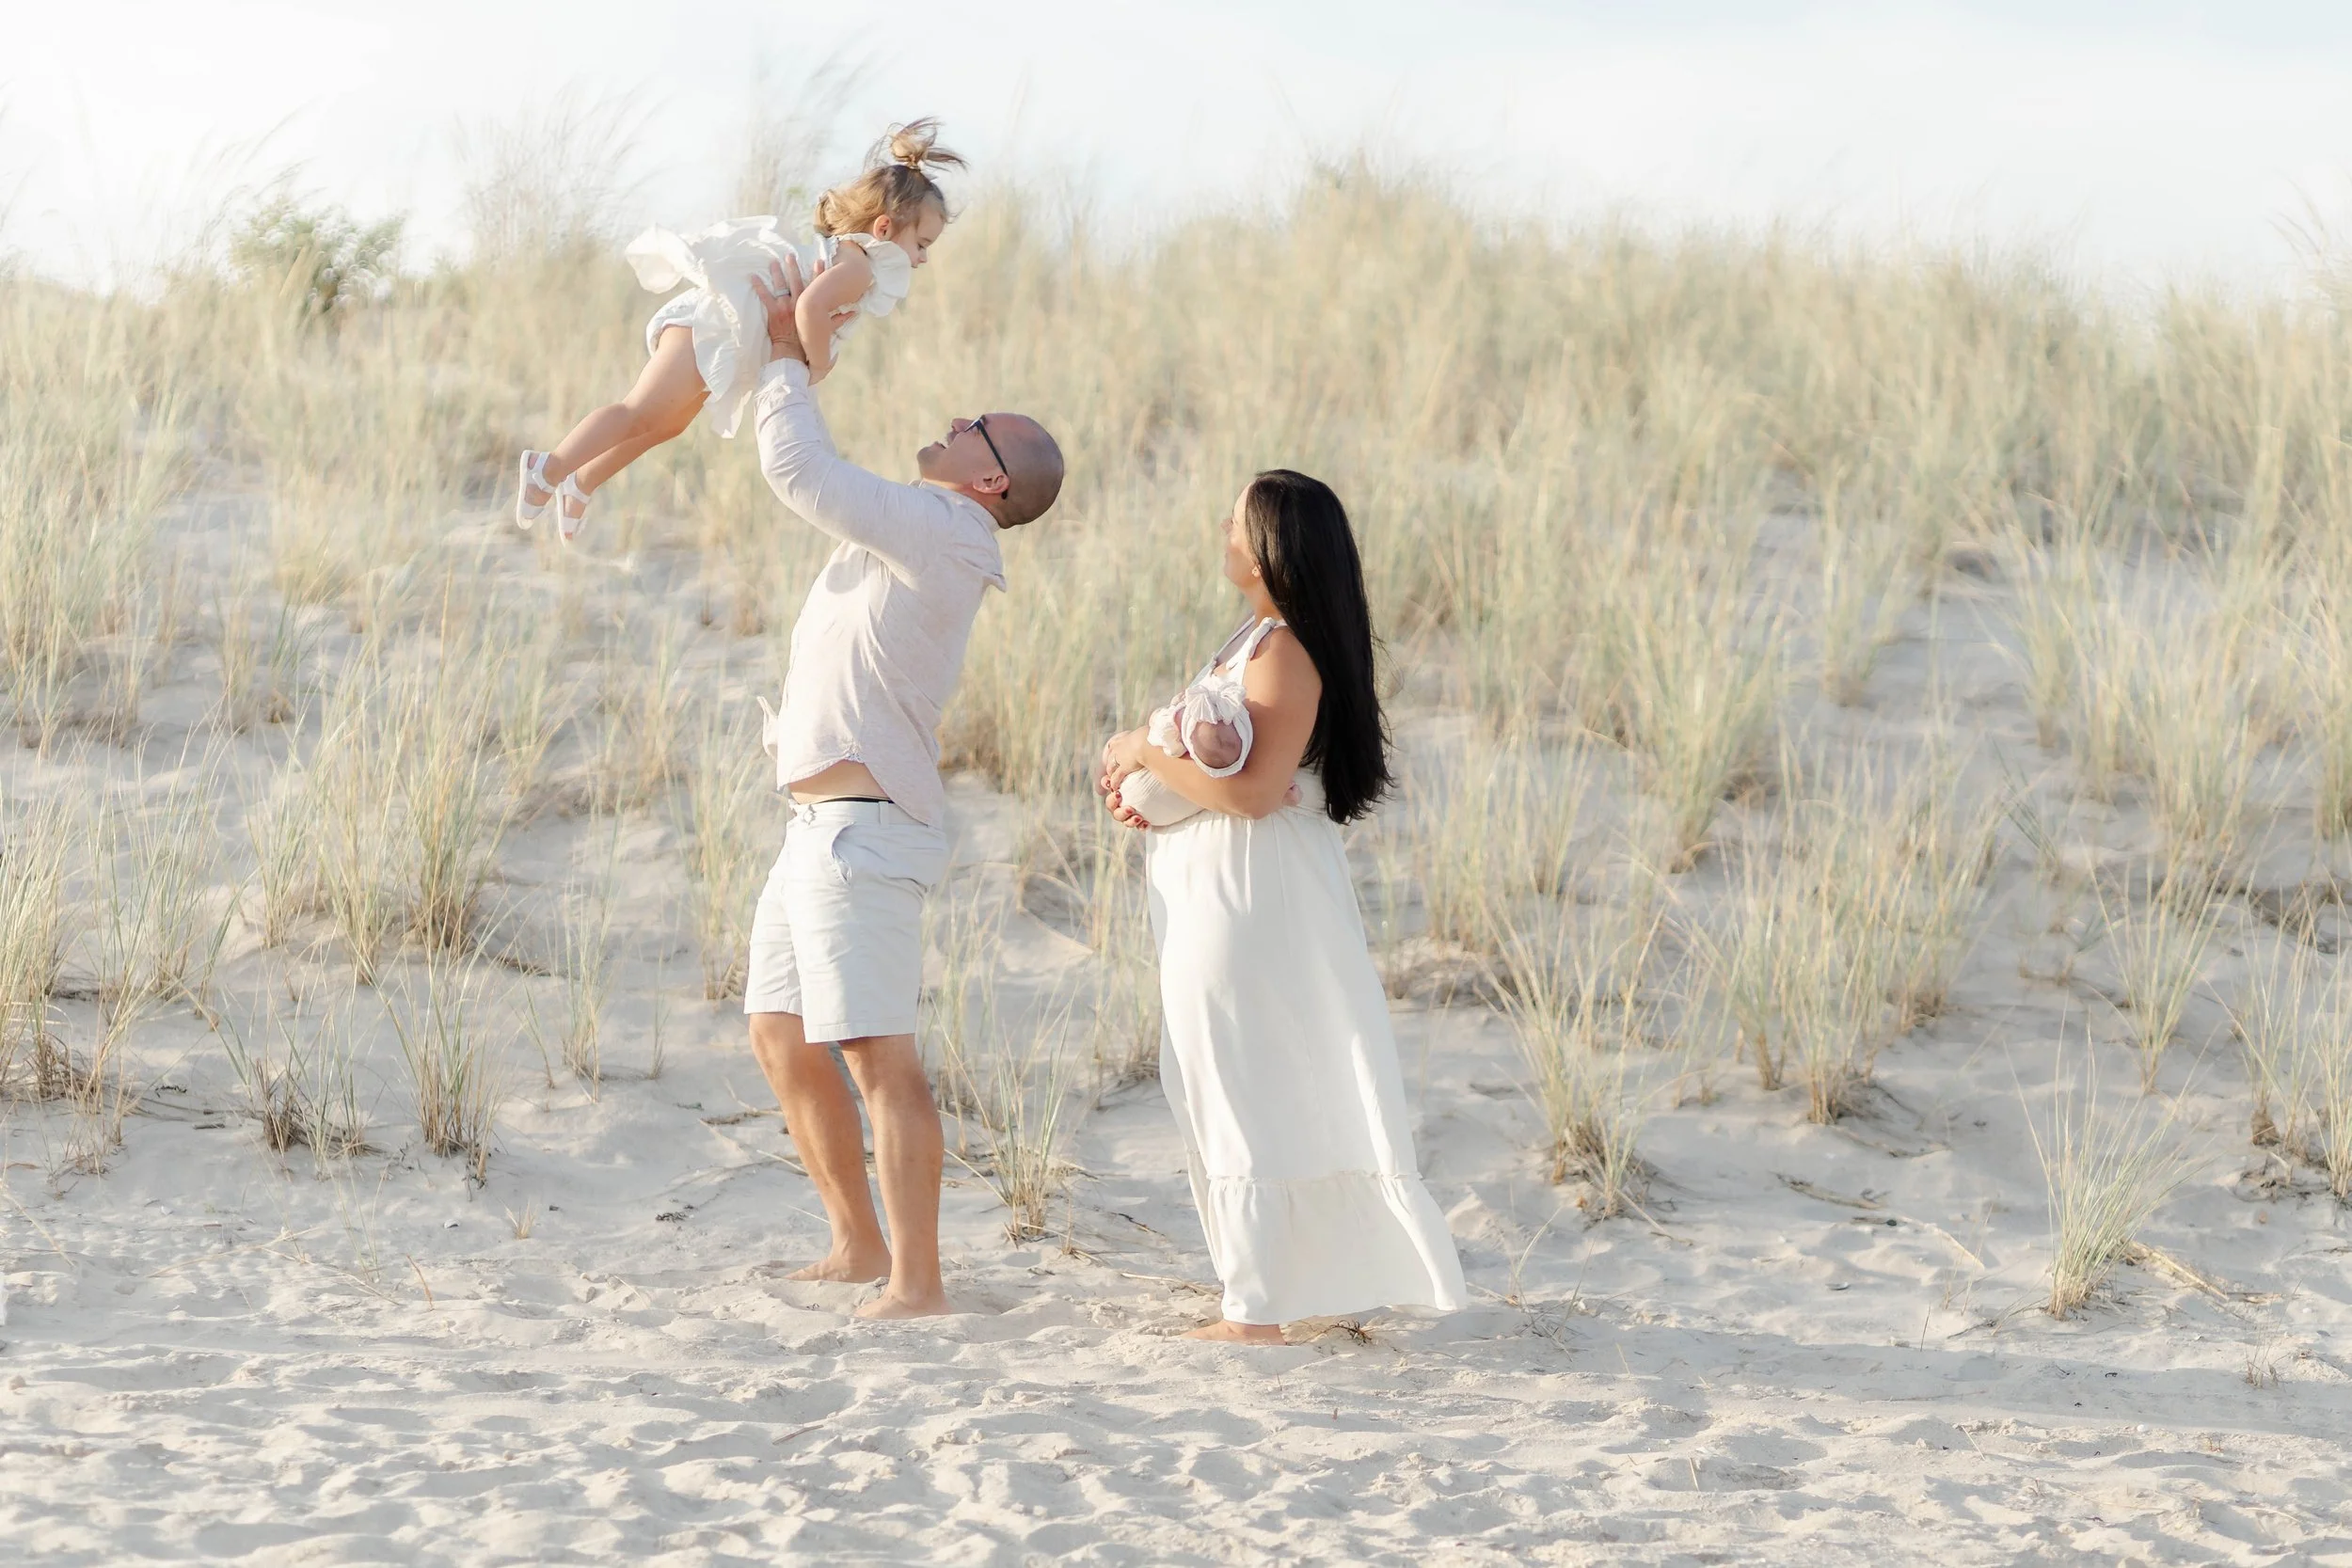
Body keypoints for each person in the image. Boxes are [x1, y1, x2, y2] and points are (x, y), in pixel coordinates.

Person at [740, 250, 1065, 1320]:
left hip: (864, 832)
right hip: (815, 828)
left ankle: (919, 1281)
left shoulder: (944, 527)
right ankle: (855, 1243)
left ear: (989, 481)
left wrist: (786, 357)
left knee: (878, 1053)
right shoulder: (926, 528)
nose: (957, 416)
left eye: (977, 424)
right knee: (779, 1033)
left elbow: (801, 474)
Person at [1097, 470, 1467, 1343]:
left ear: (1271, 545)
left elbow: (1257, 792)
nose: (1221, 528)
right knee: (1231, 1071)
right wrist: (1147, 789)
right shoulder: (1252, 641)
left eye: (1236, 518)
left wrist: (1139, 744)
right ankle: (1274, 1284)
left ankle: (1257, 1308)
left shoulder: (1283, 652)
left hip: (1251, 887)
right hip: (1220, 880)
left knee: (1243, 1077)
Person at [515, 119, 961, 543]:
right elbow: (808, 307)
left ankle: (582, 482)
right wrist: (819, 364)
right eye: (920, 245)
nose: (921, 259)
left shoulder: (849, 257)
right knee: (638, 411)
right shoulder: (860, 267)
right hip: (712, 327)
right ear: (883, 227)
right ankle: (547, 468)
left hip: (726, 335)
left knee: (665, 425)